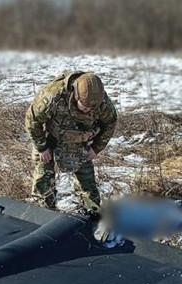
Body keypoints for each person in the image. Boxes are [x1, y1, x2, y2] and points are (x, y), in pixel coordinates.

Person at [24, 72, 117, 211]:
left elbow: (110, 123)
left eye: (91, 108)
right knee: (43, 180)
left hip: (80, 142)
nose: (88, 110)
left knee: (87, 184)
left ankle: (90, 216)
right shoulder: (53, 95)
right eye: (84, 106)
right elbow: (32, 120)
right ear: (75, 95)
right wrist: (42, 147)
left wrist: (96, 148)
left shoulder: (101, 102)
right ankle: (43, 213)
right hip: (50, 138)